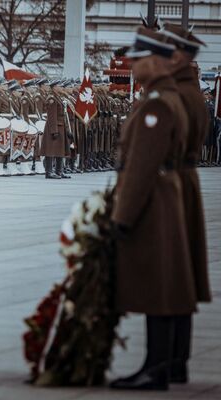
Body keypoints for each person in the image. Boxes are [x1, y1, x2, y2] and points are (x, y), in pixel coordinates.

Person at [109, 27, 195, 391]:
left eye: (139, 59)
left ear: (157, 62)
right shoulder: (168, 95)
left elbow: (142, 165)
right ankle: (158, 363)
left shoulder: (158, 103)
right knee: (163, 283)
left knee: (157, 286)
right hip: (165, 194)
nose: (132, 64)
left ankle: (156, 366)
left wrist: (122, 217)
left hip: (154, 200)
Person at [158, 23, 212, 383]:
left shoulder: (176, 93)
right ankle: (176, 360)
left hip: (173, 183)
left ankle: (164, 362)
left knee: (169, 279)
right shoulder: (192, 90)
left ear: (177, 55)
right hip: (185, 182)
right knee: (182, 278)